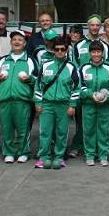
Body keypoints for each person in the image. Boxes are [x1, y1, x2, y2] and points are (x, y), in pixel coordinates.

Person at [34, 37, 80, 169]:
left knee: (62, 132)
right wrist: (38, 102)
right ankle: (44, 157)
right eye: (57, 49)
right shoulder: (46, 65)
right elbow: (38, 86)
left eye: (63, 49)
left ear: (66, 50)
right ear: (53, 50)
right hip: (47, 104)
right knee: (45, 132)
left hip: (64, 105)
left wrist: (72, 105)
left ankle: (59, 157)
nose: (60, 51)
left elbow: (76, 88)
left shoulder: (71, 67)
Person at [0, 30, 37, 163]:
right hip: (5, 99)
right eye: (14, 40)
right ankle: (8, 152)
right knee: (6, 129)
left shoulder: (30, 60)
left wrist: (29, 79)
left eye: (20, 40)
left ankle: (23, 151)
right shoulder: (2, 60)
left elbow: (38, 80)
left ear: (25, 43)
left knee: (23, 128)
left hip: (22, 100)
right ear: (11, 43)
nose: (17, 42)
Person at [79, 40, 109, 166]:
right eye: (93, 52)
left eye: (98, 52)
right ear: (90, 53)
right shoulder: (84, 68)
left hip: (105, 105)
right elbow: (80, 86)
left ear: (103, 53)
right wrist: (91, 95)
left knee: (104, 130)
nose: (96, 54)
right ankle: (90, 155)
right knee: (88, 129)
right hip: (88, 104)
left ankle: (103, 155)